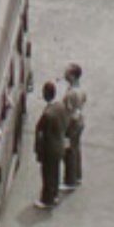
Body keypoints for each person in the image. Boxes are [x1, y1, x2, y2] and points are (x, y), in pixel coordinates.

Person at [32, 81, 69, 209]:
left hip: (50, 149)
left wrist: (38, 151)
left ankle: (47, 199)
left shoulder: (47, 114)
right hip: (59, 144)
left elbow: (42, 135)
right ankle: (55, 195)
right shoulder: (61, 106)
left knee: (47, 174)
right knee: (56, 171)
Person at [60, 63, 88, 191]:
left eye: (67, 72)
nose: (65, 74)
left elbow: (68, 111)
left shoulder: (71, 93)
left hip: (71, 124)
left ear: (72, 76)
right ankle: (77, 176)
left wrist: (64, 127)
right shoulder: (81, 90)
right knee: (76, 148)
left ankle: (69, 180)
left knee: (69, 150)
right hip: (80, 122)